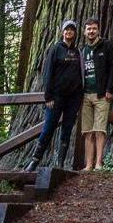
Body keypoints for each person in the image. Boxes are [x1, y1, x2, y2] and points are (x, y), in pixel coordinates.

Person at [34, 19, 84, 170]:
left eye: (72, 29)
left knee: (67, 129)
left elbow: (81, 73)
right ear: (62, 32)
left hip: (73, 99)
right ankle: (35, 160)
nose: (69, 32)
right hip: (56, 97)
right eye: (66, 29)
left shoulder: (77, 52)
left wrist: (80, 94)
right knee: (49, 126)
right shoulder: (56, 49)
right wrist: (48, 96)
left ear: (75, 33)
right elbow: (48, 72)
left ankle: (60, 163)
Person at [77, 17, 113, 171]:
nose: (91, 31)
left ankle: (99, 164)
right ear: (84, 31)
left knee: (100, 130)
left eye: (94, 28)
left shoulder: (106, 46)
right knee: (87, 131)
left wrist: (109, 89)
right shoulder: (83, 50)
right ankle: (88, 165)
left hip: (101, 95)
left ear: (98, 30)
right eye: (88, 29)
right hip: (85, 95)